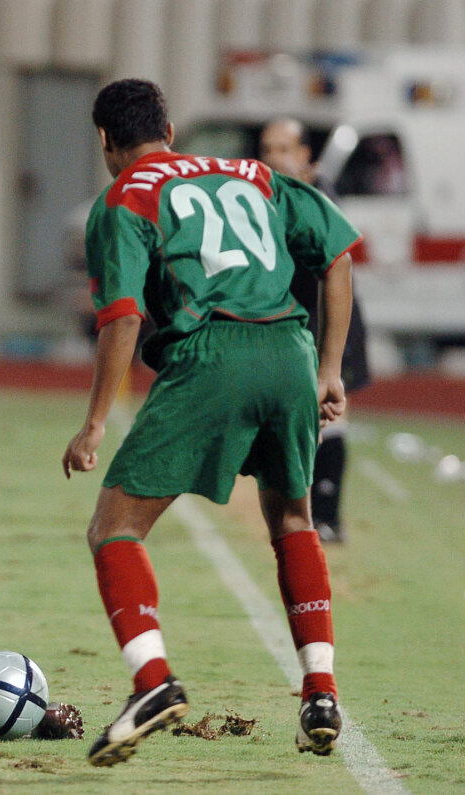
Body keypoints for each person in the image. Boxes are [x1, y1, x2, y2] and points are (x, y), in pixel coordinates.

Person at [63, 80, 358, 766]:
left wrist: (95, 422)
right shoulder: (254, 173)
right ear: (169, 128)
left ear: (105, 141)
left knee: (114, 526)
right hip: (290, 350)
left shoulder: (124, 196)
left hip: (210, 354)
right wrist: (330, 368)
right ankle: (320, 692)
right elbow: (338, 251)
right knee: (293, 520)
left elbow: (123, 318)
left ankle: (152, 681)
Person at [260, 117, 371, 544]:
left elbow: (333, 269)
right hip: (301, 323)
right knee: (301, 420)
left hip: (330, 326)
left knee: (330, 416)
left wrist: (331, 359)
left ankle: (327, 515)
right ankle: (308, 512)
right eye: (267, 149)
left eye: (283, 148)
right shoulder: (272, 194)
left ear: (305, 154)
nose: (274, 158)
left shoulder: (317, 196)